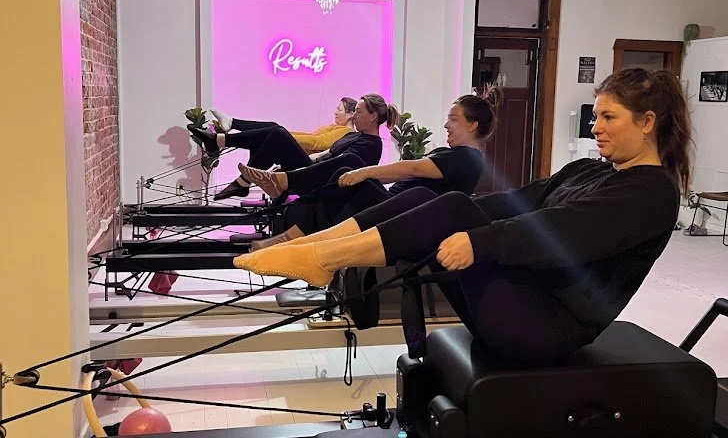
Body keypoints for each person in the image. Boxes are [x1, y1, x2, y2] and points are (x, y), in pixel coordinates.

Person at [234, 68, 689, 361]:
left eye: (608, 117)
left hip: (549, 329)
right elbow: (516, 203)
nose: (596, 126)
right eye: (597, 116)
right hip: (524, 301)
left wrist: (478, 239)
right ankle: (318, 250)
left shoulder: (651, 193)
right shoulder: (589, 169)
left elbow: (562, 232)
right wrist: (463, 220)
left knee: (449, 207)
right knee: (442, 204)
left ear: (646, 122)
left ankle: (325, 257)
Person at [243, 93, 495, 249]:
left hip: (398, 215)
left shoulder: (466, 158)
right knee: (343, 170)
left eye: (453, 119)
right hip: (393, 206)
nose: (446, 125)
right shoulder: (461, 155)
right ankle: (294, 228)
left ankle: (287, 190)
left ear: (472, 125)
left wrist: (365, 173)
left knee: (351, 163)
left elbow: (412, 168)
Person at [188, 95, 394, 200]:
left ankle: (221, 142)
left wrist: (296, 160)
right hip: (314, 173)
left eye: (358, 112)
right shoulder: (357, 136)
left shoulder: (370, 146)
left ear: (373, 116)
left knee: (277, 133)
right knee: (276, 133)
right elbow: (324, 153)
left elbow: (337, 167)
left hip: (319, 183)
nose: (355, 116)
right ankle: (233, 165)